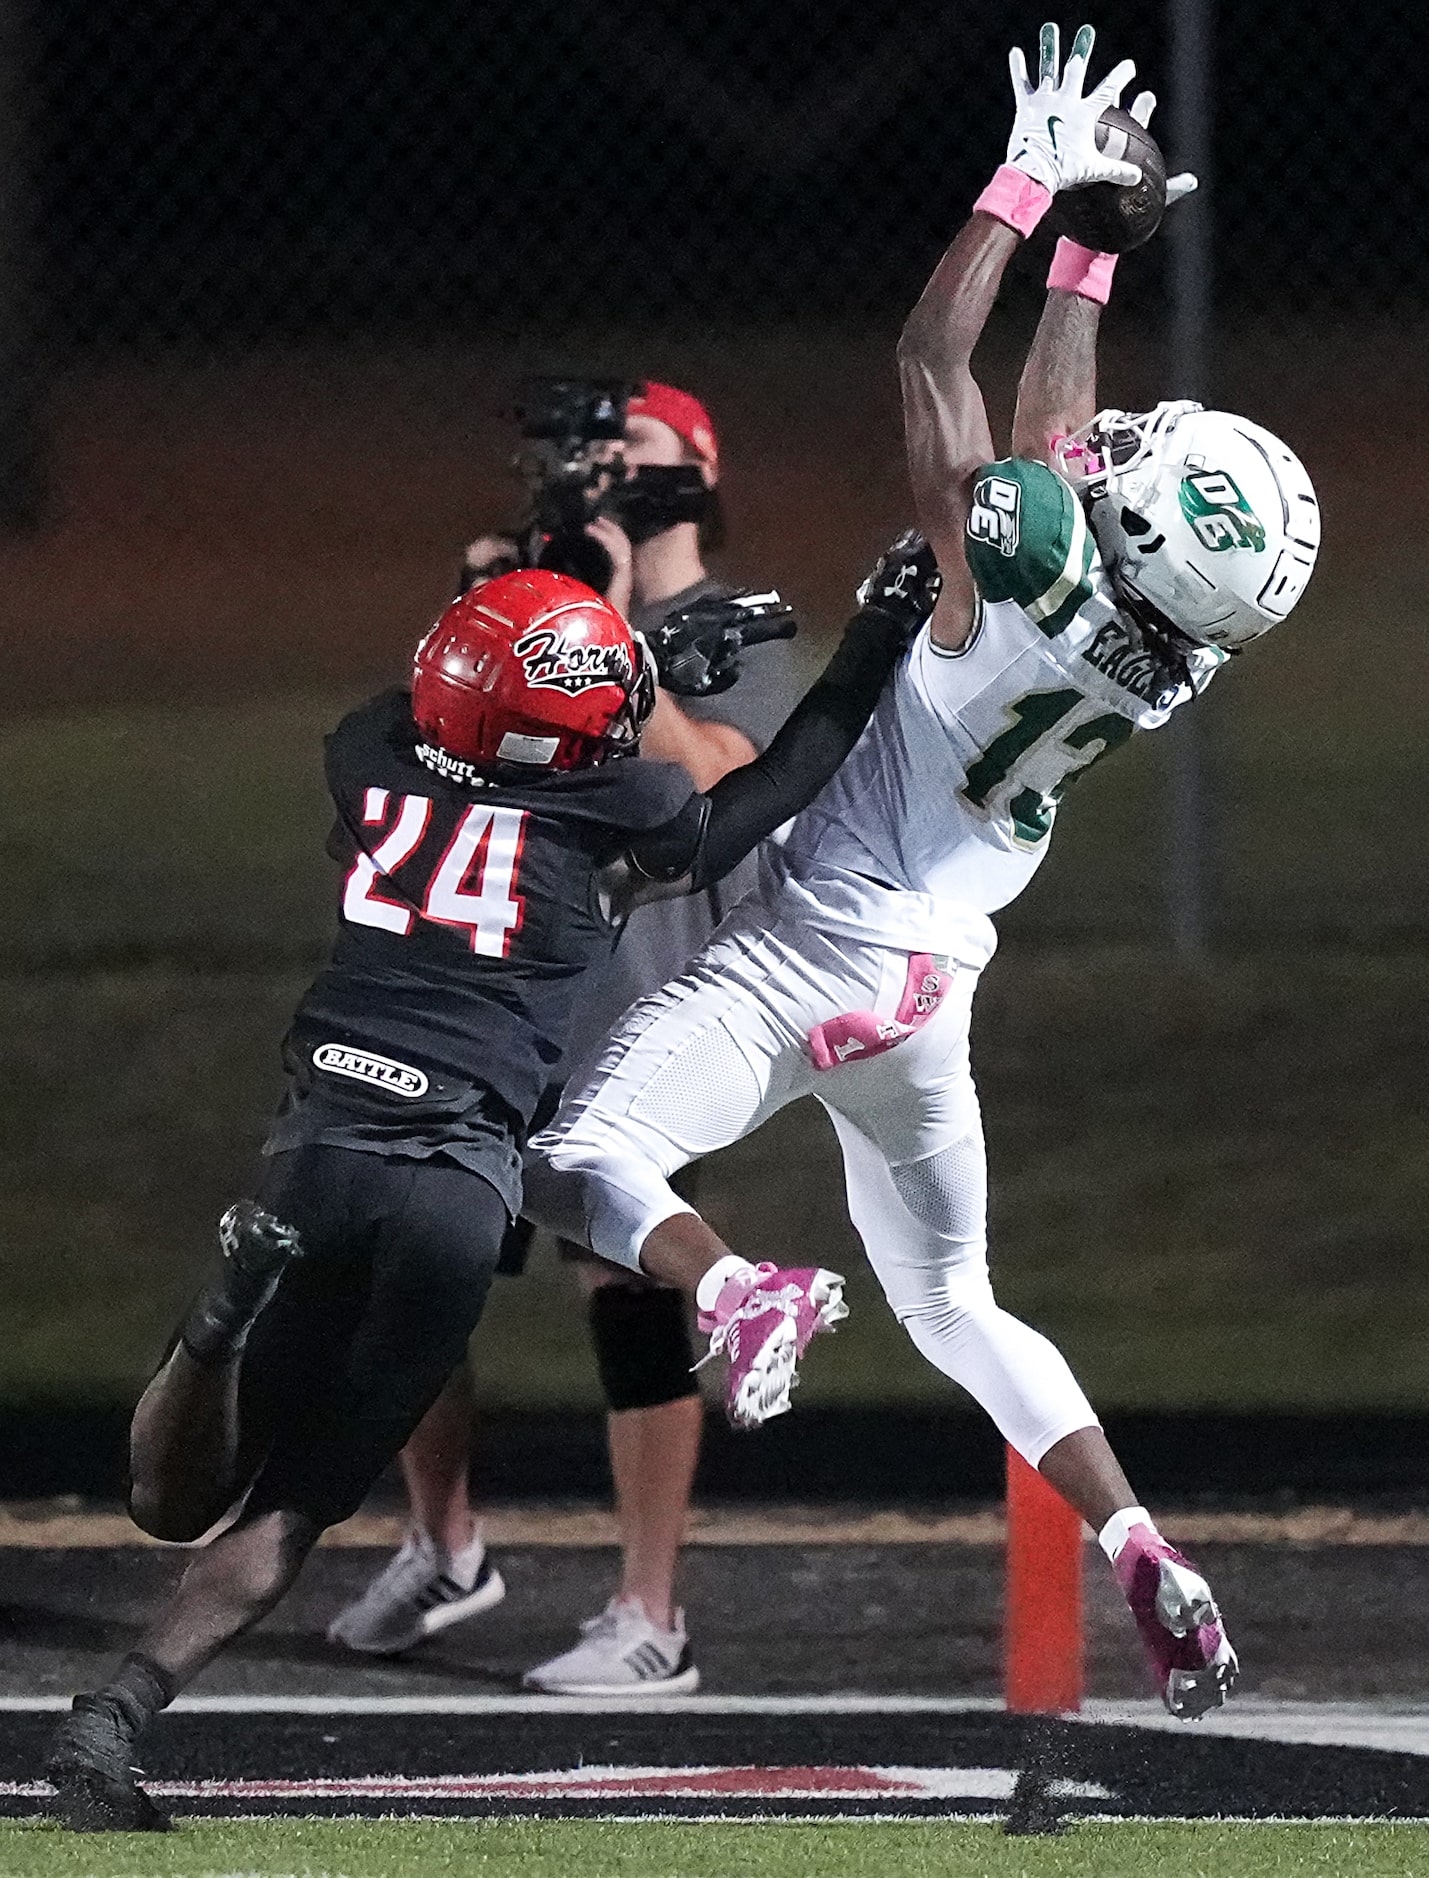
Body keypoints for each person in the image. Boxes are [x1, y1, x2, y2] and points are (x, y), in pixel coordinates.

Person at [523, 23, 1320, 1721]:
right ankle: (1140, 1547)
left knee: (581, 1156)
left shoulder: (1016, 557)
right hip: (932, 989)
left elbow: (930, 361)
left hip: (815, 942)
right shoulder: (1166, 649)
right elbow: (1054, 437)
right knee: (956, 1300)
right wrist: (1098, 249)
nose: (1121, 447)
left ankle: (738, 1291)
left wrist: (1022, 189)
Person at [43, 543, 939, 1833]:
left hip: (318, 1146)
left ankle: (211, 1336)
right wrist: (867, 634)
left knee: (168, 1498)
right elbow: (786, 773)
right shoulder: (613, 817)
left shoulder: (364, 756)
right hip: (456, 1184)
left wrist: (599, 677)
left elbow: (452, 716)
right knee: (298, 1503)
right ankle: (118, 1712)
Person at [326, 382, 805, 1692]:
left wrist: (603, 644)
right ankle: (444, 1539)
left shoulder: (732, 629)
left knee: (632, 1302)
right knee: (409, 1266)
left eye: (629, 450)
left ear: (694, 470)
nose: (601, 473)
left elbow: (723, 779)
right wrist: (487, 609)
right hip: (491, 995)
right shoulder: (539, 600)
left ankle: (651, 1614)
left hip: (637, 1006)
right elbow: (430, 751)